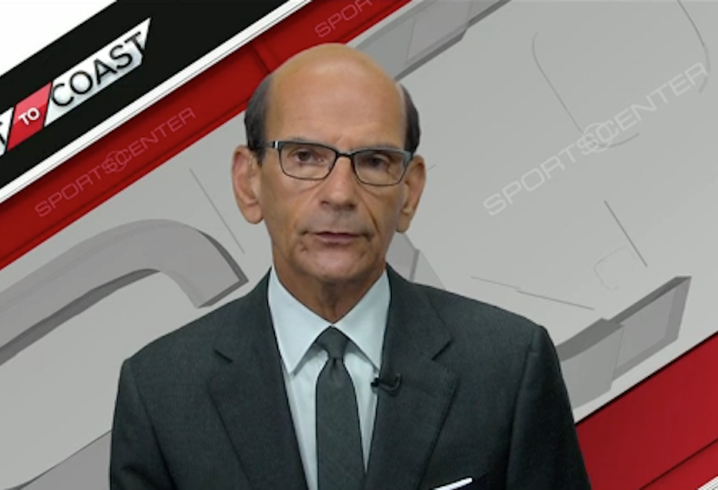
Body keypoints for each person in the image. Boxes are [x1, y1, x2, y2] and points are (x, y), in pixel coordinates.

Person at [109, 43, 591, 490]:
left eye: (374, 161)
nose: (340, 194)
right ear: (248, 182)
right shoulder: (159, 393)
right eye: (304, 156)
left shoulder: (509, 364)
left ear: (410, 192)